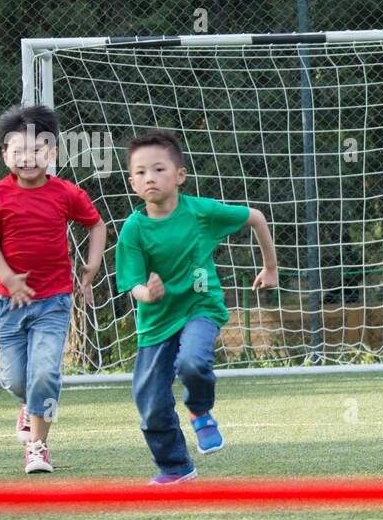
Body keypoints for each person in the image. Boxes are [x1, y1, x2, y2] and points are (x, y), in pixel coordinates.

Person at [115, 130, 278, 484]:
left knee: (193, 361)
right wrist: (149, 293)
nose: (150, 178)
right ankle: (176, 467)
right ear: (131, 182)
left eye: (159, 169)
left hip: (200, 309)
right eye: (141, 172)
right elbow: (133, 285)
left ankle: (200, 410)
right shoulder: (133, 230)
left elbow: (255, 217)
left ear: (180, 176)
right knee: (150, 404)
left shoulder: (200, 212)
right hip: (156, 323)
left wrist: (270, 267)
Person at [0, 105, 105, 474]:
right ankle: (30, 404)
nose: (27, 158)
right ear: (5, 156)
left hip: (53, 300)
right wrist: (10, 277)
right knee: (15, 379)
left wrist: (92, 264)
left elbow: (95, 225)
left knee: (45, 375)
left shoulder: (66, 192)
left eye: (37, 150)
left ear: (51, 153)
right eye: (18, 151)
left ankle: (37, 446)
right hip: (8, 302)